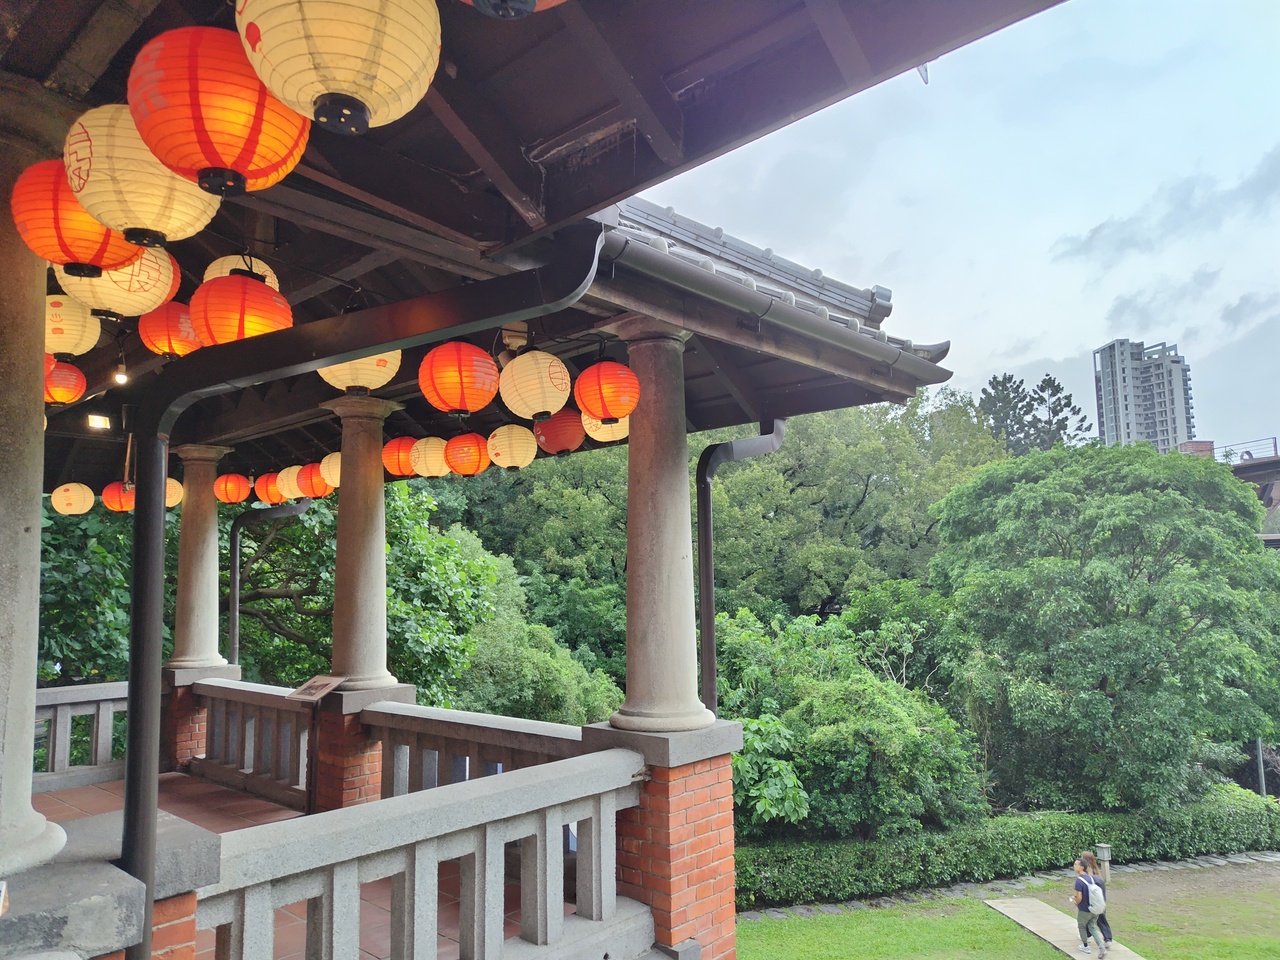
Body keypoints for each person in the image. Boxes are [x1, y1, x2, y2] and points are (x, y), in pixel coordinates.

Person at [1071, 859, 1107, 957]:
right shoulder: (1090, 878)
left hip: (1085, 909)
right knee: (1092, 927)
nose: (1074, 866)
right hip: (1094, 908)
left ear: (1082, 867)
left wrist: (1075, 901)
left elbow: (1079, 897)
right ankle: (1101, 947)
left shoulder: (1079, 881)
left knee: (1081, 926)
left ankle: (1085, 946)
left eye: (1076, 864)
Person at [1081, 850, 1114, 947]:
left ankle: (1088, 935)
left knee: (1087, 917)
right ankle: (1107, 939)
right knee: (1101, 919)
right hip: (1101, 901)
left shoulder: (1089, 875)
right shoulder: (1097, 873)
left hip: (1093, 901)